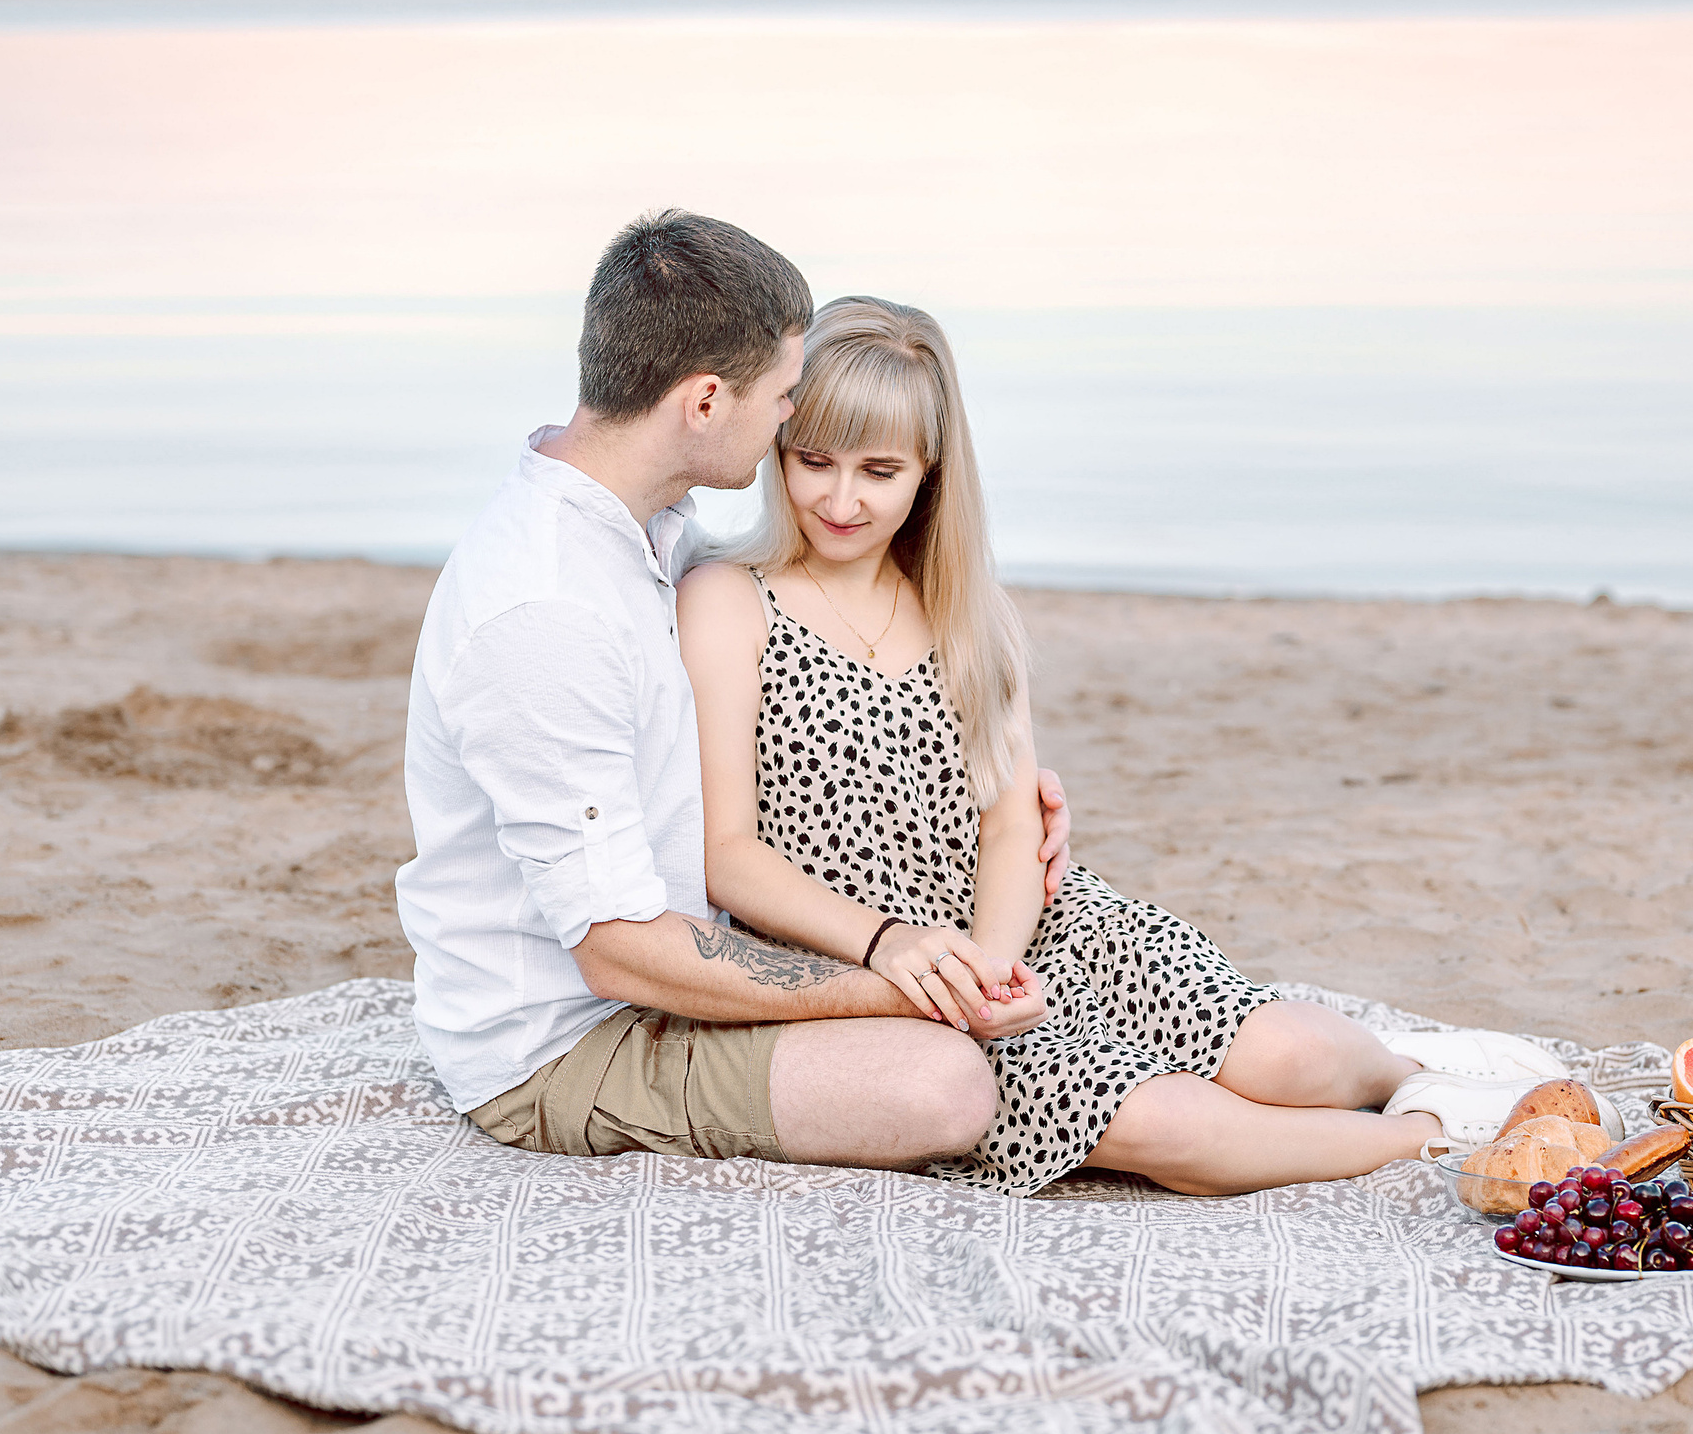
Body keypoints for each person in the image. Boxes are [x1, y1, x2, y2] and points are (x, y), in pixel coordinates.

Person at [677, 297, 1604, 1197]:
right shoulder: (731, 600)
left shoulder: (968, 615)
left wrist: (992, 964)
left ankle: (1407, 1068)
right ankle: (1429, 1134)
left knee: (1290, 1058)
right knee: (1171, 1128)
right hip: (867, 969)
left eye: (879, 471)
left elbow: (1010, 825)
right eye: (815, 462)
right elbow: (729, 853)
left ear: (929, 472)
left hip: (1026, 933)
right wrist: (906, 958)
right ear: (779, 449)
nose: (840, 499)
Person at [396, 212, 1074, 1174]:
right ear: (707, 400)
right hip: (573, 1040)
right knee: (943, 1084)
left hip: (672, 977)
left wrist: (992, 791)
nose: (791, 419)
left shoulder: (653, 526)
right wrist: (900, 978)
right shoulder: (546, 611)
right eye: (786, 395)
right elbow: (618, 951)